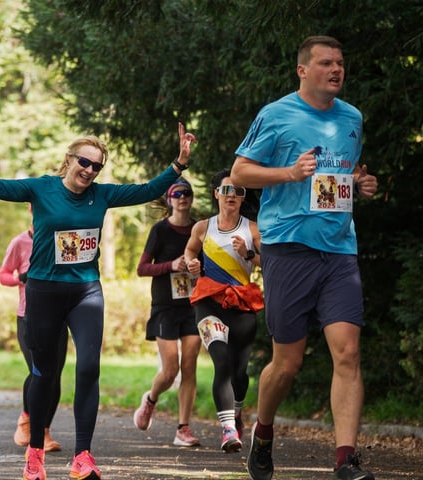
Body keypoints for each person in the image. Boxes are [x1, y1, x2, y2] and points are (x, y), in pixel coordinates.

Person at [0, 111, 196, 480]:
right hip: (44, 291)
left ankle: (83, 456)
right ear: (69, 160)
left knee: (89, 367)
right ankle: (34, 454)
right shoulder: (41, 188)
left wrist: (179, 164)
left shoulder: (102, 195)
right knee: (45, 374)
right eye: (85, 162)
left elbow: (145, 190)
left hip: (85, 291)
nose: (90, 170)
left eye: (97, 166)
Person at [230, 35, 378, 480]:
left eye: (340, 63)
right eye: (326, 63)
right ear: (303, 70)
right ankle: (265, 428)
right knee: (287, 363)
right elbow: (240, 172)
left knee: (348, 353)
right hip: (288, 248)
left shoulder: (352, 118)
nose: (337, 70)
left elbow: (344, 173)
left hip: (339, 249)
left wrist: (360, 184)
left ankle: (346, 459)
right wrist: (289, 173)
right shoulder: (277, 115)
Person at [183, 170, 263, 455]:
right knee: (221, 360)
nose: (232, 196)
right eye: (227, 190)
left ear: (243, 198)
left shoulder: (252, 228)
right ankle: (228, 429)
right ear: (216, 193)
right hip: (208, 302)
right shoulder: (203, 227)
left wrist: (249, 255)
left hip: (242, 304)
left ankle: (237, 411)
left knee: (240, 373)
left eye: (238, 192)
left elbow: (269, 263)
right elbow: (190, 253)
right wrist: (191, 264)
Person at [132, 177, 202, 447]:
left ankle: (183, 428)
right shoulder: (160, 231)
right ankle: (150, 399)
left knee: (190, 365)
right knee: (171, 368)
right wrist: (171, 265)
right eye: (177, 193)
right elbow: (142, 268)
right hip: (164, 306)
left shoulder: (199, 229)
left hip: (192, 305)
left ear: (191, 198)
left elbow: (207, 265)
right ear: (169, 199)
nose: (182, 198)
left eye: (187, 193)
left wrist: (196, 269)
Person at [0, 220, 66, 452]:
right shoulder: (20, 242)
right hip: (28, 316)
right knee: (38, 371)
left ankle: (45, 431)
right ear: (32, 209)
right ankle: (26, 420)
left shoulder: (62, 239)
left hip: (59, 315)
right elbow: (4, 275)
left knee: (55, 373)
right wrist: (21, 278)